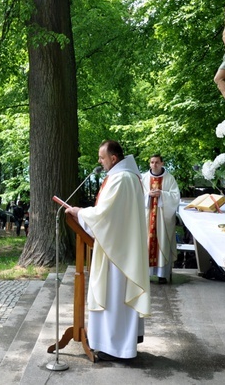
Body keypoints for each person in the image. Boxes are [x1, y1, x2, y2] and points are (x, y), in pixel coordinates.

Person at [65, 140, 150, 361]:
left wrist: (79, 212)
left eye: (102, 158)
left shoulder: (121, 179)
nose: (100, 162)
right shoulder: (128, 177)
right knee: (116, 298)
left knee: (113, 296)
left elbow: (105, 215)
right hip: (121, 246)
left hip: (117, 252)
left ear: (113, 158)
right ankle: (120, 343)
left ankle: (116, 347)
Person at [142, 154, 181, 284]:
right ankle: (145, 274)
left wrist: (162, 195)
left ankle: (162, 274)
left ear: (162, 163)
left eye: (157, 162)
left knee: (163, 242)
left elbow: (176, 196)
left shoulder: (169, 179)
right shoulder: (144, 178)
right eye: (152, 162)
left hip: (163, 218)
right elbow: (137, 195)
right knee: (146, 242)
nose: (154, 165)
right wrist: (148, 194)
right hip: (148, 217)